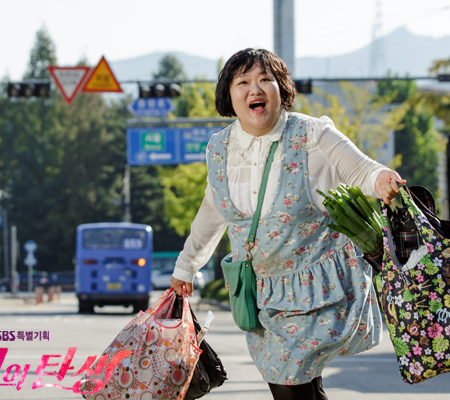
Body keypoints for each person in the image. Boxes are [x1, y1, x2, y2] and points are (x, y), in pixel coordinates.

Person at [170, 48, 404, 400]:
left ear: (282, 89)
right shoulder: (219, 148)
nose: (255, 89)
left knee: (289, 381)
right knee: (300, 386)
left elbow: (360, 169)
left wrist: (381, 179)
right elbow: (213, 208)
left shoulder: (312, 134)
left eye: (266, 79)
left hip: (318, 289)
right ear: (228, 94)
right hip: (260, 295)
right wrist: (186, 265)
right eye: (243, 82)